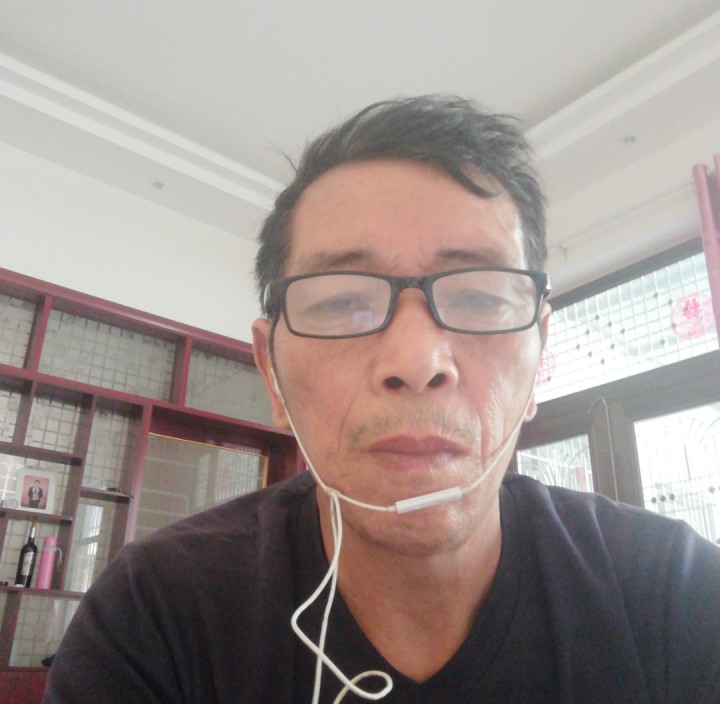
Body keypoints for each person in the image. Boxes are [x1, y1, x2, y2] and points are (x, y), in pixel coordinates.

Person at [43, 96, 720, 703]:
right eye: (343, 302)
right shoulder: (155, 616)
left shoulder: (675, 592)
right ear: (272, 373)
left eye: (479, 297)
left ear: (539, 360)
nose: (416, 363)